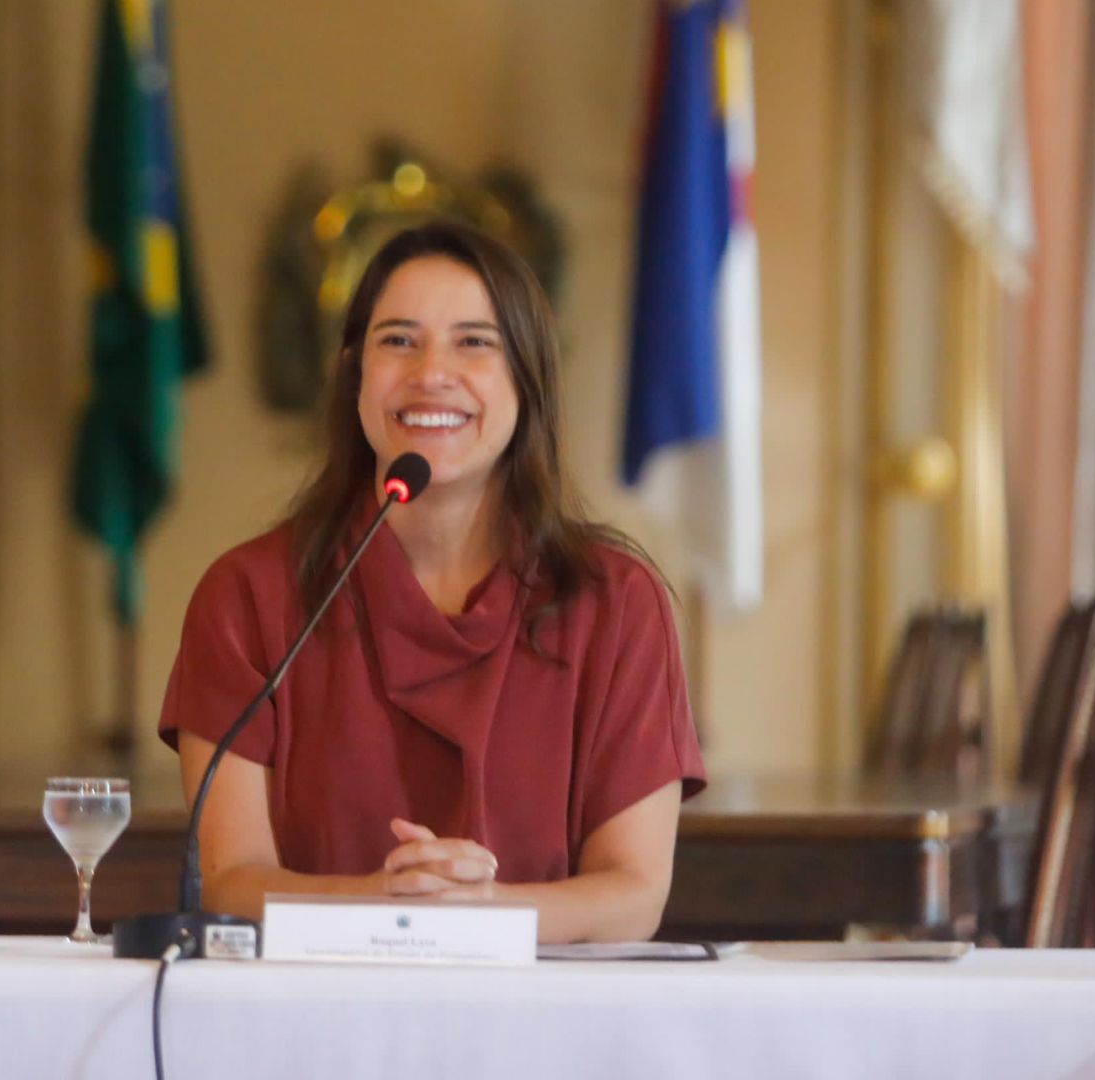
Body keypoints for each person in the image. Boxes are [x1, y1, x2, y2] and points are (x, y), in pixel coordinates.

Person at [159, 221, 705, 944]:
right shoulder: (247, 596)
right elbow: (229, 879)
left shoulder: (616, 602)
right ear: (355, 374)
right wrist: (387, 904)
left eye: (475, 341)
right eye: (398, 340)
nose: (432, 372)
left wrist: (481, 913)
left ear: (528, 377)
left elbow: (633, 894)